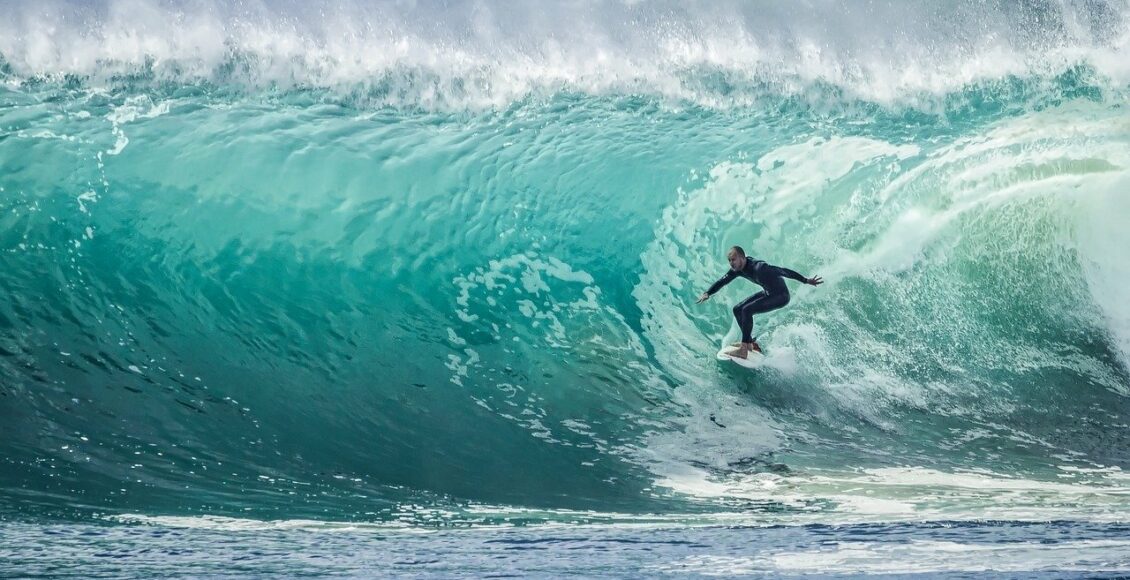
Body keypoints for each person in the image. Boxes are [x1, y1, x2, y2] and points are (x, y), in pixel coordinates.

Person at [696, 246, 823, 358]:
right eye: (729, 260)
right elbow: (723, 280)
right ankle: (750, 343)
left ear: (742, 257)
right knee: (737, 309)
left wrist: (806, 280)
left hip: (781, 296)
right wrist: (708, 293)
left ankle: (744, 349)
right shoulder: (737, 270)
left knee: (747, 310)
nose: (731, 263)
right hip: (769, 292)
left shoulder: (759, 267)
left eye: (733, 260)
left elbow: (784, 271)